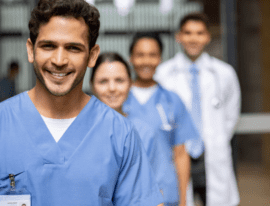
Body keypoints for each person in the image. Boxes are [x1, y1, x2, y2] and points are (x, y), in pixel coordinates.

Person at [0, 1, 164, 205]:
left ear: (92, 56)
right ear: (30, 50)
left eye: (73, 48)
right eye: (48, 46)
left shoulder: (120, 133)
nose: (59, 60)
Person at [154, 13, 241, 206]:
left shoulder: (224, 73)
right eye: (188, 33)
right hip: (177, 154)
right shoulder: (163, 74)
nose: (193, 38)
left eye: (199, 33)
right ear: (179, 36)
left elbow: (231, 116)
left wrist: (214, 139)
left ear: (208, 37)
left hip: (212, 154)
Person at [123, 32, 203, 206]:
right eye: (140, 55)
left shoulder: (172, 100)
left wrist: (183, 201)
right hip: (127, 194)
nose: (146, 61)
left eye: (152, 55)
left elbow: (181, 154)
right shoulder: (119, 99)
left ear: (160, 58)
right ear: (131, 58)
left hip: (165, 193)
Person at [90, 52, 167, 203]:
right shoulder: (80, 130)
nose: (112, 88)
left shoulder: (144, 132)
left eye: (119, 80)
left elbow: (156, 191)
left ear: (130, 84)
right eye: (103, 81)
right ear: (92, 85)